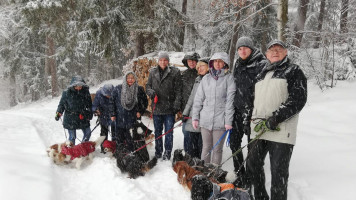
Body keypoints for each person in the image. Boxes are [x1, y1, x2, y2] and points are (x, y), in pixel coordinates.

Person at [246, 40, 307, 200]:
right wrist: (249, 121)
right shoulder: (261, 74)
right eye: (272, 49)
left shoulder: (293, 71)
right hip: (259, 129)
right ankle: (260, 197)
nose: (275, 51)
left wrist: (276, 117)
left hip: (281, 131)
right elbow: (254, 102)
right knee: (253, 165)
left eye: (279, 49)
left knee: (278, 172)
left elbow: (298, 100)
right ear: (266, 55)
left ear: (285, 52)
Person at [230, 36, 268, 187]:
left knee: (252, 148)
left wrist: (251, 113)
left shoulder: (261, 64)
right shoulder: (238, 64)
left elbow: (262, 91)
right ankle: (240, 173)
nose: (242, 51)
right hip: (238, 112)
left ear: (251, 49)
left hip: (254, 113)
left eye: (245, 48)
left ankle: (251, 177)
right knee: (234, 144)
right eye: (239, 48)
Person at [191, 52, 236, 165]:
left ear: (225, 63)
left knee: (217, 150)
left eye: (220, 61)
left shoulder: (229, 79)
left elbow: (230, 102)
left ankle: (214, 174)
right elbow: (198, 99)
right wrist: (195, 117)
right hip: (205, 120)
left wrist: (228, 121)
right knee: (206, 148)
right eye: (215, 61)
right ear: (211, 63)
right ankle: (204, 173)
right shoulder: (206, 79)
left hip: (220, 122)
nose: (217, 63)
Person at [146, 51, 182, 160]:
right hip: (157, 108)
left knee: (168, 132)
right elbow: (148, 86)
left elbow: (178, 90)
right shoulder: (152, 72)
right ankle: (158, 152)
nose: (163, 62)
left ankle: (167, 153)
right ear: (158, 61)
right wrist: (151, 92)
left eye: (165, 60)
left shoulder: (174, 72)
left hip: (169, 108)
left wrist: (176, 105)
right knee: (158, 132)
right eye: (161, 60)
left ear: (168, 61)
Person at [109, 71, 148, 152]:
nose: (130, 79)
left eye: (132, 78)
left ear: (135, 79)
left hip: (133, 117)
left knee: (131, 137)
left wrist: (140, 111)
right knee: (119, 137)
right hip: (120, 117)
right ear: (125, 79)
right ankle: (120, 153)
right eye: (128, 78)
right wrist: (112, 113)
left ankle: (131, 153)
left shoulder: (139, 89)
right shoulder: (118, 88)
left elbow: (144, 102)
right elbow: (112, 102)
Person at [182, 57, 209, 159]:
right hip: (192, 117)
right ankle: (191, 165)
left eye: (202, 66)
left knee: (201, 146)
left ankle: (199, 166)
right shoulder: (197, 80)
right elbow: (191, 98)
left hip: (203, 118)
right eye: (198, 67)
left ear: (208, 67)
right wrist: (185, 113)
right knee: (190, 145)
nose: (199, 68)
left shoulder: (211, 80)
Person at [55, 75, 93, 145]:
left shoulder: (85, 92)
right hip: (70, 117)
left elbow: (89, 105)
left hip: (82, 116)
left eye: (80, 86)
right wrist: (59, 112)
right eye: (77, 86)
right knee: (72, 137)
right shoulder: (66, 93)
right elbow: (62, 104)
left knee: (88, 133)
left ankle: (82, 147)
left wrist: (89, 114)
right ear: (73, 85)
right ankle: (71, 151)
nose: (79, 87)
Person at [181, 52, 201, 155]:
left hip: (198, 110)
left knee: (197, 133)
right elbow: (180, 91)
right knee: (186, 132)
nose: (192, 63)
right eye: (189, 61)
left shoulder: (201, 74)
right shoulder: (183, 75)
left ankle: (196, 154)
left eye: (194, 61)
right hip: (186, 108)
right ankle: (188, 154)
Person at [92, 84, 115, 153]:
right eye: (107, 95)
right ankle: (104, 148)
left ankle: (114, 148)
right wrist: (96, 110)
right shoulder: (99, 94)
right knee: (104, 133)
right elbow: (94, 106)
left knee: (115, 133)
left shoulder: (116, 93)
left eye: (110, 95)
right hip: (103, 115)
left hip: (113, 115)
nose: (109, 96)